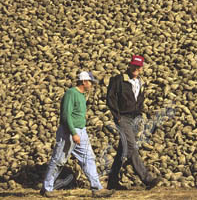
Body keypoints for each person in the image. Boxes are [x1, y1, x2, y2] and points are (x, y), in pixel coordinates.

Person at [41, 71, 114, 198]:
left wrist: (80, 132)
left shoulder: (81, 95)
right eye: (90, 82)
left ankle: (97, 188)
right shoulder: (71, 93)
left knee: (88, 158)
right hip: (69, 132)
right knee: (59, 160)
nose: (91, 85)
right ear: (84, 82)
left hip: (81, 131)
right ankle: (47, 188)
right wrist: (73, 133)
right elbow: (65, 115)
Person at [106, 55, 160, 190]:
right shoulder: (118, 80)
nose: (136, 68)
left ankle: (112, 181)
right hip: (122, 118)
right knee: (131, 146)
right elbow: (110, 98)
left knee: (123, 149)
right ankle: (146, 178)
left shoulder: (140, 82)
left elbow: (139, 100)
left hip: (134, 119)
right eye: (134, 65)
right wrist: (117, 116)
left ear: (141, 68)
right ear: (129, 65)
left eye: (138, 66)